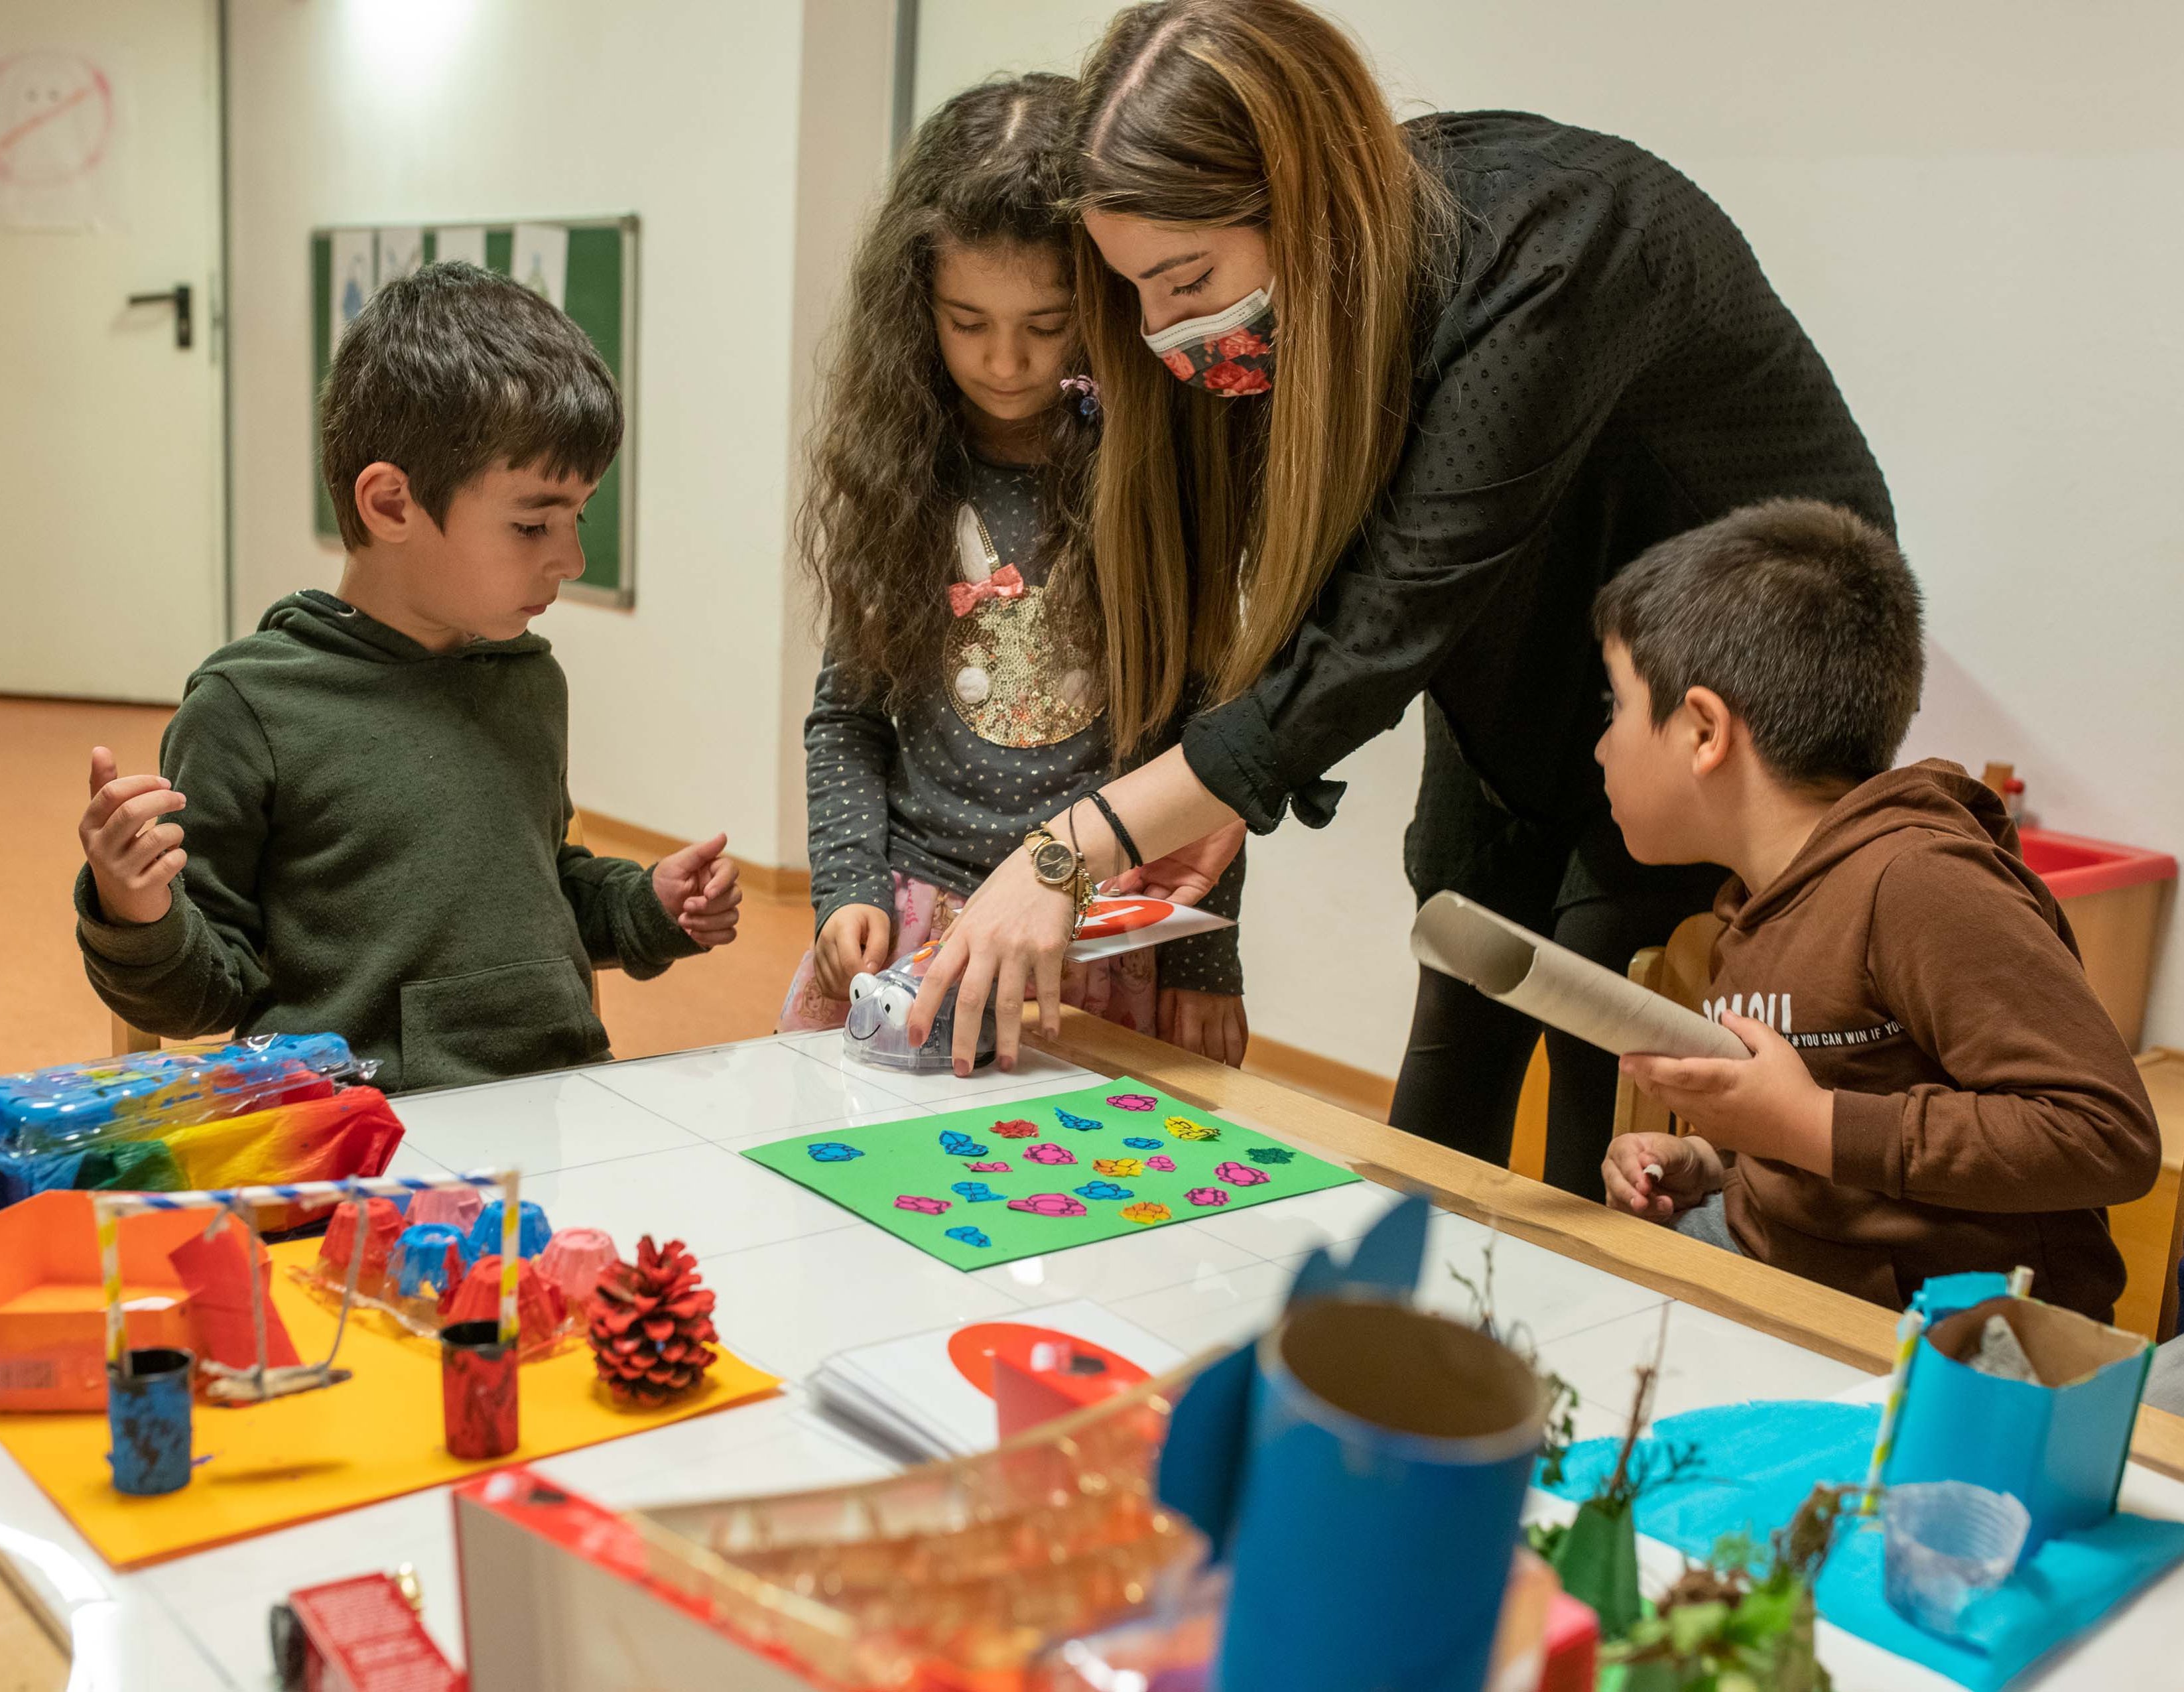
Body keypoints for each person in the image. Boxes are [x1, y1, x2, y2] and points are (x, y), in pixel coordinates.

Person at [906, 0, 1890, 1203]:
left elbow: (1393, 610)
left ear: (1296, 189)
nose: (1166, 333)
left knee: (1609, 1044)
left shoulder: (1554, 246)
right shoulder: (1348, 279)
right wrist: (1229, 787)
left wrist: (1066, 851)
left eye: (1184, 280)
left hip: (1720, 687)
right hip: (1525, 660)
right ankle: (1404, 1352)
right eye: (1137, 294)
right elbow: (1370, 582)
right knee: (1458, 987)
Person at [76, 263, 742, 1093]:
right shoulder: (250, 710)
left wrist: (648, 905)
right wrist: (132, 906)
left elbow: (533, 885)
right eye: (533, 522)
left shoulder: (529, 681)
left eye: (579, 516)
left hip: (557, 1106)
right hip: (358, 1138)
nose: (569, 559)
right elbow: (205, 994)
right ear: (391, 504)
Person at [1594, 500, 2157, 1320]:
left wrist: (1810, 1124)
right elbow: (1831, 1126)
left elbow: (2105, 1133)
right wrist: (1710, 1161)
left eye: (1614, 706)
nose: (1603, 743)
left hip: (1948, 1344)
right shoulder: (1754, 902)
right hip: (1782, 1271)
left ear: (1705, 729)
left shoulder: (1918, 882)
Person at [783, 73, 1248, 1063]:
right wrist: (848, 886)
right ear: (918, 306)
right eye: (966, 321)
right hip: (915, 928)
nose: (1004, 363)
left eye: (1044, 326)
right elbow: (847, 719)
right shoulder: (902, 471)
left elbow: (1216, 738)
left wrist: (1209, 960)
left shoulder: (1158, 469)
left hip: (1092, 941)